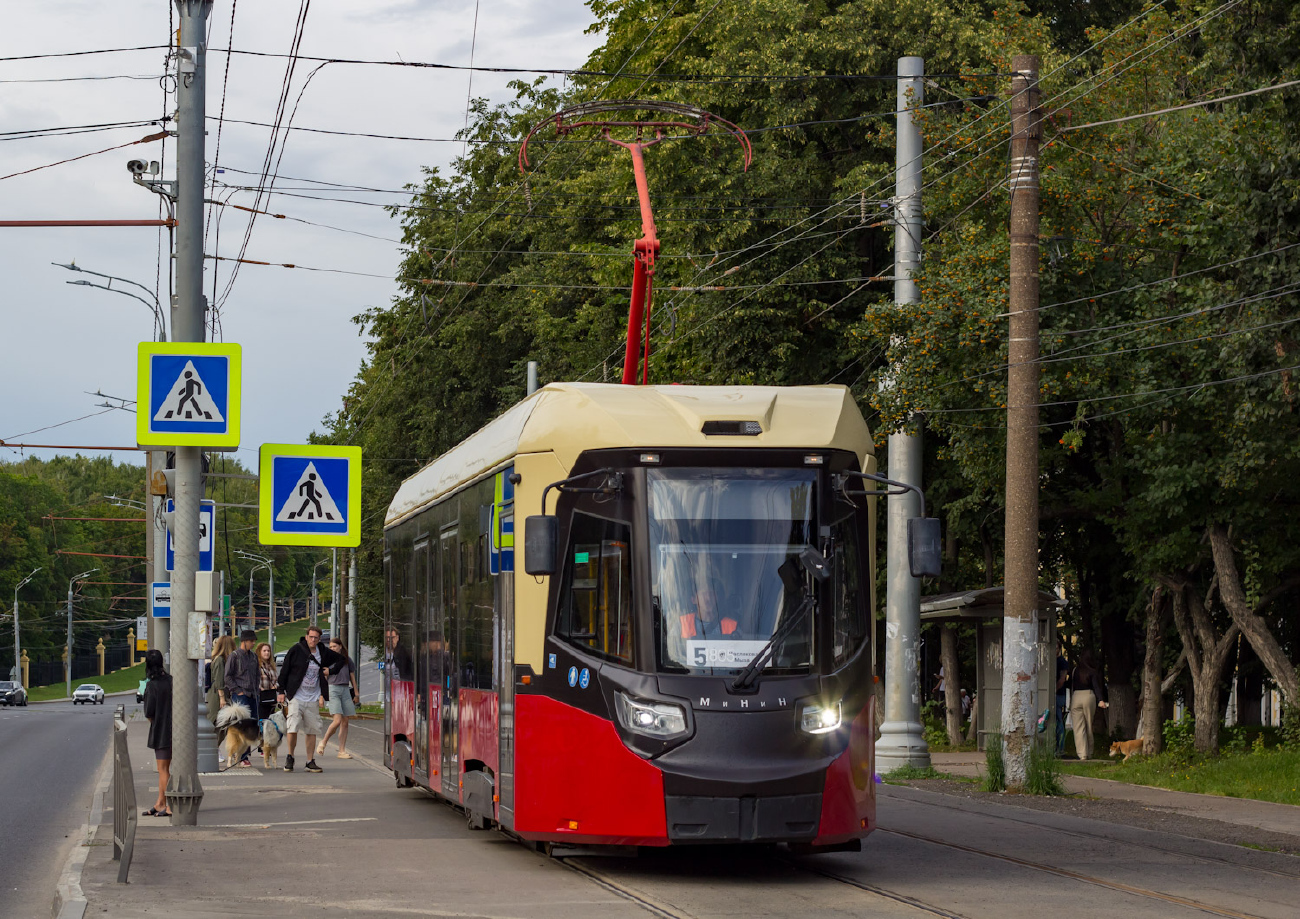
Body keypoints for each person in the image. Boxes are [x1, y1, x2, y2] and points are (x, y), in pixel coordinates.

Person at [276, 625, 344, 773]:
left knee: (311, 730)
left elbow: (341, 659)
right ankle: (290, 756)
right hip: (296, 696)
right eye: (311, 637)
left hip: (313, 697)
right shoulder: (296, 650)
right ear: (306, 637)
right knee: (292, 727)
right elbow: (284, 670)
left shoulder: (323, 652)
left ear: (319, 639)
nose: (313, 640)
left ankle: (309, 761)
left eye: (316, 638)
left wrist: (330, 671)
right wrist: (281, 690)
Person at [141, 649, 173, 818]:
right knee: (166, 769)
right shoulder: (171, 681)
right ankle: (160, 802)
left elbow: (149, 713)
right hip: (176, 729)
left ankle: (167, 805)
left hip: (160, 730)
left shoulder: (151, 685)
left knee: (163, 769)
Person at [318, 638, 359, 759]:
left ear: (340, 646)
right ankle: (323, 742)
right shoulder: (327, 660)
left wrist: (356, 693)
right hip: (333, 689)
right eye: (330, 647)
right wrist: (321, 696)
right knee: (337, 720)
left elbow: (352, 677)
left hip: (345, 690)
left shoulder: (347, 660)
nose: (332, 649)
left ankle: (341, 750)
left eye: (334, 646)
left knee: (345, 722)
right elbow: (323, 680)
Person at [224, 629, 259, 767]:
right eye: (251, 641)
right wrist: (237, 691)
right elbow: (227, 676)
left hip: (253, 694)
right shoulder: (234, 656)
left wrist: (257, 690)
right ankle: (239, 755)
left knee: (252, 726)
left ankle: (244, 756)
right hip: (241, 694)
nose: (253, 643)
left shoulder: (254, 657)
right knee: (241, 726)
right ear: (244, 641)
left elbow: (256, 675)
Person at [1069, 648, 1109, 760]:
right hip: (1088, 696)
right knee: (1088, 726)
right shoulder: (1092, 671)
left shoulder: (1075, 671)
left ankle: (1082, 754)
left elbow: (1070, 684)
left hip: (1076, 697)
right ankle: (1090, 752)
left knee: (1078, 727)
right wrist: (1100, 700)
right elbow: (1096, 686)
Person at [207, 635, 235, 734]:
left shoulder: (221, 659)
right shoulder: (219, 660)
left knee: (224, 724)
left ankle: (215, 747)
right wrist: (222, 698)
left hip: (219, 693)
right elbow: (219, 680)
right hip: (218, 695)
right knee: (218, 722)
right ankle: (213, 747)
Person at [255, 641, 278, 721]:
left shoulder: (272, 666)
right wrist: (260, 688)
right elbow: (254, 680)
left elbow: (276, 679)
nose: (267, 653)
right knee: (262, 718)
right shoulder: (256, 665)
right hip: (261, 696)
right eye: (264, 651)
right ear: (259, 652)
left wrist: (275, 685)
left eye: (268, 651)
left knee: (270, 718)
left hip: (271, 696)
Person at [1055, 648, 1071, 756]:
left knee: (1059, 721)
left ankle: (1060, 748)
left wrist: (1054, 690)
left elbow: (1062, 679)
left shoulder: (1062, 662)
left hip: (1059, 695)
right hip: (1056, 694)